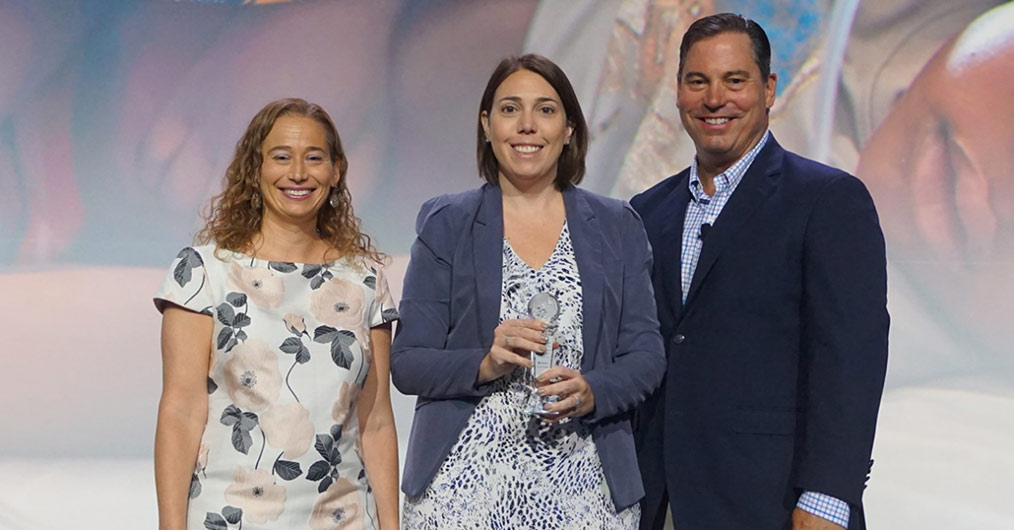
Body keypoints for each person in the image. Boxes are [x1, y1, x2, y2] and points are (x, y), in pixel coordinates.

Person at [631, 14, 889, 530]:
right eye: (697, 81)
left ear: (769, 89)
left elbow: (850, 360)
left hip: (776, 503)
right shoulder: (646, 211)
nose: (714, 99)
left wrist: (826, 499)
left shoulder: (826, 200)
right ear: (678, 92)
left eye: (735, 80)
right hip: (660, 500)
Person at [390, 54, 666, 529]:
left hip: (586, 489)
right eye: (510, 109)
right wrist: (485, 362)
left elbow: (646, 356)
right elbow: (409, 361)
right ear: (486, 124)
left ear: (570, 129)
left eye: (545, 110)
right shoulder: (447, 224)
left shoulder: (618, 225)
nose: (526, 126)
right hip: (462, 493)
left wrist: (592, 391)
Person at [153, 98, 399, 530]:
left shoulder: (365, 281)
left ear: (336, 170)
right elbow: (181, 410)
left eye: (314, 158)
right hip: (230, 516)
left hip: (343, 517)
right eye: (281, 157)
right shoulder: (204, 272)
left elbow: (376, 421)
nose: (298, 173)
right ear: (256, 168)